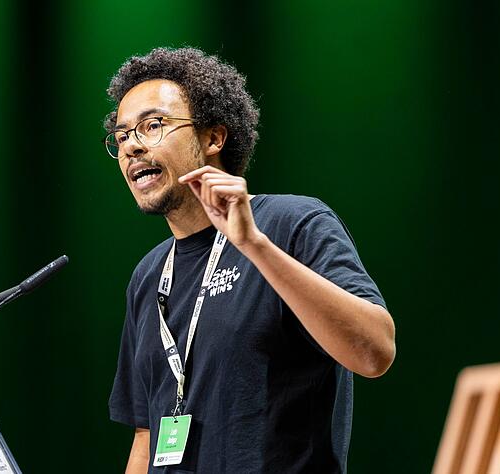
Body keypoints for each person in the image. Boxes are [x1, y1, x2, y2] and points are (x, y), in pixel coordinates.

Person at [105, 47, 396, 473]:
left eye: (152, 126)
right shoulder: (149, 275)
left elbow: (375, 352)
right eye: (122, 135)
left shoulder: (293, 223)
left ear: (213, 138)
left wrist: (254, 244)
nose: (132, 147)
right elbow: (146, 438)